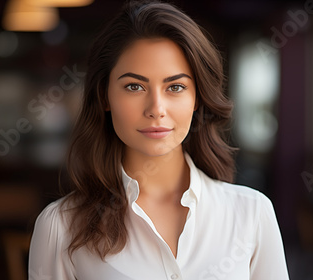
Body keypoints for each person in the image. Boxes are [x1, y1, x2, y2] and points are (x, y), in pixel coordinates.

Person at [28, 1, 289, 279]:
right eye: (134, 86)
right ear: (105, 96)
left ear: (197, 98)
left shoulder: (252, 214)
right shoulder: (60, 226)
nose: (156, 108)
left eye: (175, 87)